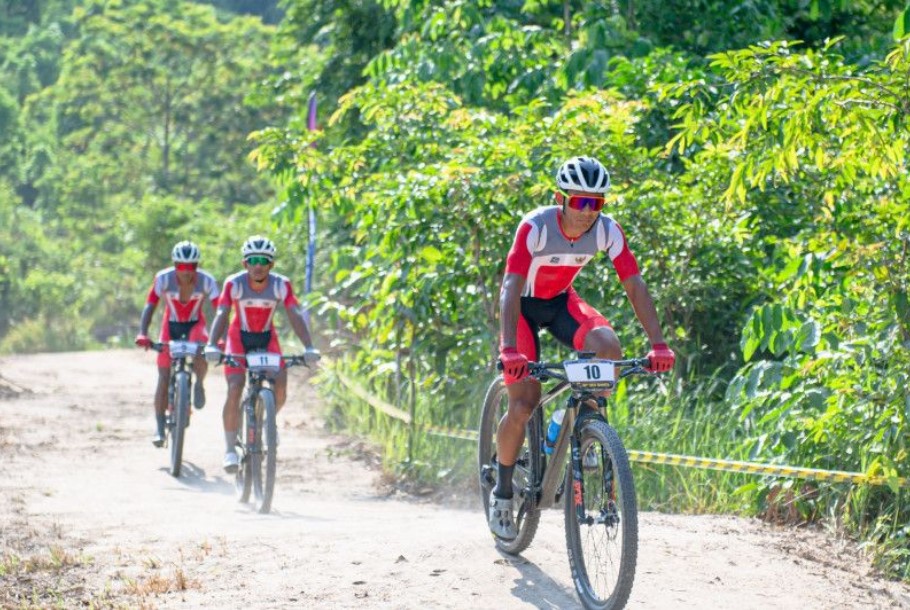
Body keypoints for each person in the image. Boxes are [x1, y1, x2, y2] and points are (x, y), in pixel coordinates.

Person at [490, 156, 676, 540]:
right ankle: (503, 492)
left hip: (560, 303)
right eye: (580, 201)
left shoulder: (607, 231)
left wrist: (658, 344)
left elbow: (634, 285)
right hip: (521, 308)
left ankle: (576, 425)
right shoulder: (535, 227)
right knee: (523, 404)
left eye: (597, 203)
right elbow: (510, 287)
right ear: (561, 198)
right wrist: (510, 349)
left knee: (607, 347)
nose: (588, 212)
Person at [203, 235, 320, 473]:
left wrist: (309, 347)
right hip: (239, 339)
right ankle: (229, 449)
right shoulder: (233, 283)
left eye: (263, 261)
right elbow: (222, 313)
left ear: (271, 265)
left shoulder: (281, 284)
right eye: (253, 260)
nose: (258, 265)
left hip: (267, 338)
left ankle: (268, 422)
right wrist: (212, 344)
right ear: (245, 263)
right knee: (235, 386)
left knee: (280, 380)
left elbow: (294, 314)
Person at [135, 241, 221, 447]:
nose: (186, 272)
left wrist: (220, 338)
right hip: (170, 325)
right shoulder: (163, 279)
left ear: (197, 266)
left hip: (195, 324)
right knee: (163, 375)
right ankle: (159, 426)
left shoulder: (207, 281)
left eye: (191, 266)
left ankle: (199, 383)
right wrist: (143, 333)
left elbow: (221, 311)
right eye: (181, 266)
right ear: (175, 265)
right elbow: (150, 306)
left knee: (203, 350)